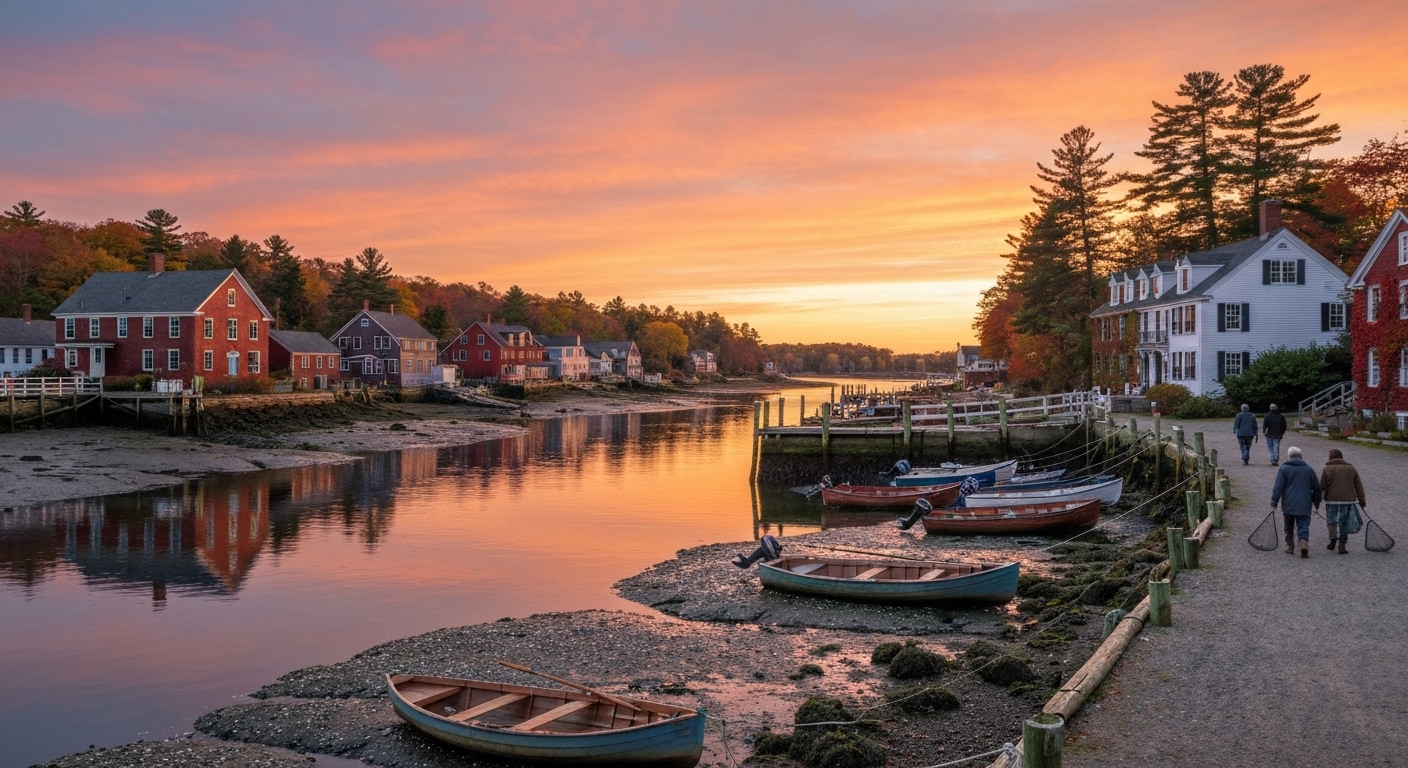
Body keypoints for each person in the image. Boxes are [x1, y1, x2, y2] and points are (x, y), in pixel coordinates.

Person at [1271, 446, 1322, 558]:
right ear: (1301, 456)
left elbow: (1279, 486)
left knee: (1288, 526)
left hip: (1289, 503)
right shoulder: (1309, 469)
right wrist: (1316, 501)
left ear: (1289, 456)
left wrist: (1274, 501)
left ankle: (1290, 546)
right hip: (1304, 503)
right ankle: (1303, 543)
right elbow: (1316, 487)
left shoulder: (1284, 469)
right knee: (1303, 525)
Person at [1320, 448, 1367, 555]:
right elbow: (1359, 486)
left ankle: (1333, 539)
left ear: (1331, 457)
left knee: (1331, 521)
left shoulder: (1327, 468)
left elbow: (1322, 485)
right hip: (1347, 500)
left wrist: (1317, 500)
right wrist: (1362, 500)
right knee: (1344, 522)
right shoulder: (1351, 469)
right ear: (1341, 457)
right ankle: (1342, 545)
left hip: (1331, 500)